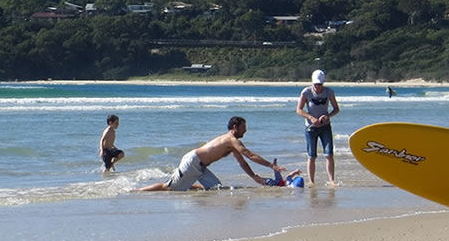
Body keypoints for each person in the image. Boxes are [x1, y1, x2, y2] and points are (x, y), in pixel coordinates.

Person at [139, 116, 276, 191]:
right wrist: (271, 166)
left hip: (201, 167)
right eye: (243, 128)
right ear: (235, 127)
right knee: (169, 188)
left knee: (216, 189)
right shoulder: (231, 139)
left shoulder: (232, 143)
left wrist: (254, 177)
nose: (245, 131)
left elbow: (242, 162)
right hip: (192, 162)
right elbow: (249, 155)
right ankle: (137, 192)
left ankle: (187, 185)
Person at [295, 69, 340, 185]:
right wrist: (310, 118)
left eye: (320, 84)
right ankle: (311, 181)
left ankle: (331, 180)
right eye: (316, 84)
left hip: (325, 127)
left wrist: (327, 116)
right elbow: (299, 110)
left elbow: (336, 109)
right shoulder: (306, 92)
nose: (318, 87)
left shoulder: (329, 92)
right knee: (312, 156)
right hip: (311, 128)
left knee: (329, 154)